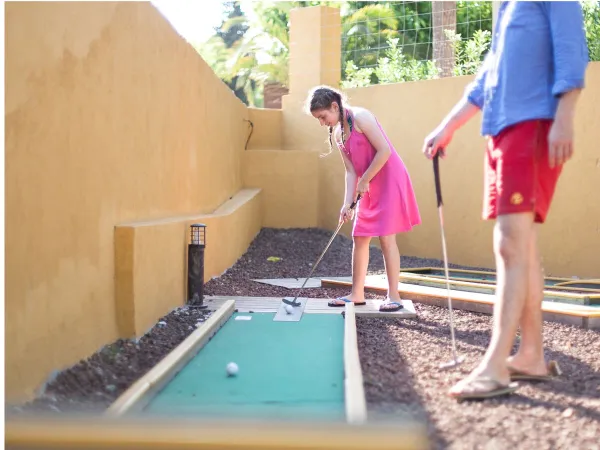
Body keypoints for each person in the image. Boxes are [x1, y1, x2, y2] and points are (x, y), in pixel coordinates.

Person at [422, 1, 589, 400]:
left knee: (510, 243)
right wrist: (448, 126)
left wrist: (565, 114)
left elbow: (571, 47)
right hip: (500, 129)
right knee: (522, 245)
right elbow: (489, 74)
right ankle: (530, 355)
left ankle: (495, 365)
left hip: (532, 123)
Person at [306, 85, 421, 312]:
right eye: (318, 119)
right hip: (366, 184)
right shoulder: (339, 133)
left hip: (388, 179)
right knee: (360, 237)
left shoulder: (361, 118)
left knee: (386, 238)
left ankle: (394, 296)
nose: (322, 123)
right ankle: (356, 294)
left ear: (334, 106)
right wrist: (347, 203)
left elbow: (384, 151)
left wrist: (366, 179)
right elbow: (350, 171)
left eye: (323, 116)